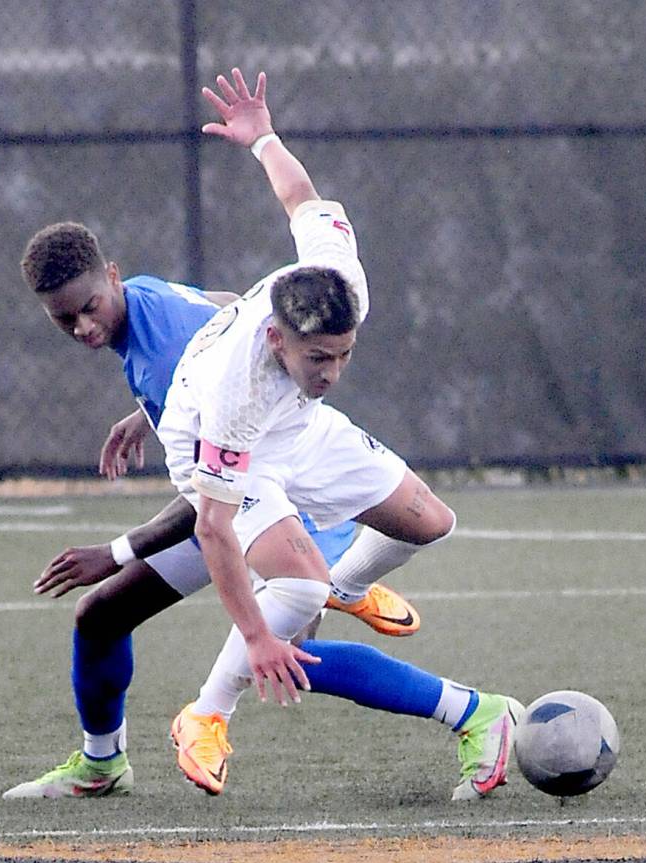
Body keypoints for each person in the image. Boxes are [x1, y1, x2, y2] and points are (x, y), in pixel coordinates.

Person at [158, 68, 522, 799]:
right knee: (293, 584)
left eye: (345, 355)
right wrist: (258, 639)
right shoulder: (241, 386)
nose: (333, 370)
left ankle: (345, 588)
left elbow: (300, 198)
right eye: (317, 358)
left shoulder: (340, 279)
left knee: (429, 523)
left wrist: (262, 137)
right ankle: (205, 714)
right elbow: (215, 530)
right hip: (219, 445)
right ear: (277, 340)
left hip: (297, 428)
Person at [2, 219, 420, 801]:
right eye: (64, 318)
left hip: (255, 497)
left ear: (112, 277)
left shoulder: (168, 352)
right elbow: (225, 305)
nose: (84, 325)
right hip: (237, 485)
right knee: (103, 617)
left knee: (285, 643)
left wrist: (116, 551)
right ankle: (102, 767)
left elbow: (204, 501)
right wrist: (146, 413)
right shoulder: (145, 296)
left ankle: (474, 713)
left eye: (89, 307)